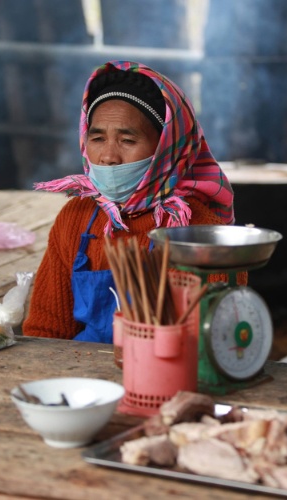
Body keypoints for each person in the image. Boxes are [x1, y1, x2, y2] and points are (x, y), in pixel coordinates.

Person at [22, 60, 244, 342]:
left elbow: (215, 344)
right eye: (98, 138)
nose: (108, 157)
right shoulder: (76, 216)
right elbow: (46, 332)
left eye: (127, 140)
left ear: (166, 148)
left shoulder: (198, 231)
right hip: (80, 379)